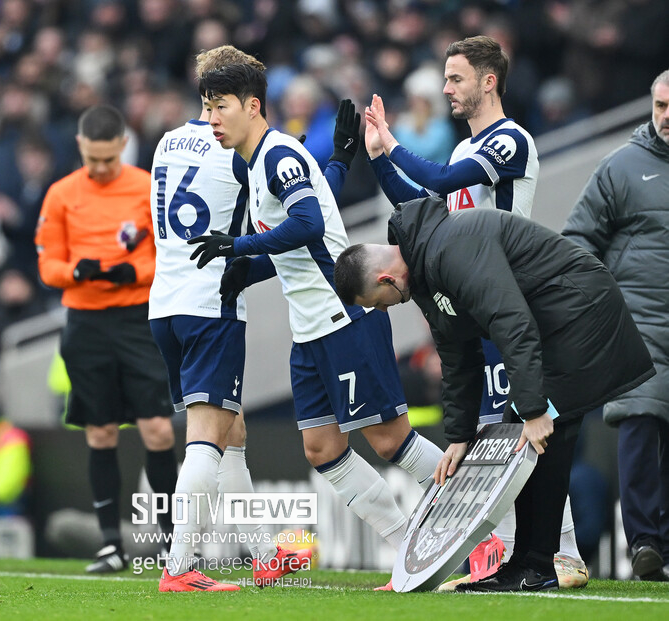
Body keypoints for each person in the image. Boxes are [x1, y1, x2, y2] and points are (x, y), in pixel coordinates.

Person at [188, 61, 444, 589]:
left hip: (343, 315)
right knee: (322, 449)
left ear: (252, 106)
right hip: (308, 329)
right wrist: (250, 270)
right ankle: (408, 548)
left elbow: (307, 225)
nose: (211, 118)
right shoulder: (255, 162)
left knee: (389, 440)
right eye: (207, 107)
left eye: (220, 107)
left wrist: (240, 247)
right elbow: (308, 225)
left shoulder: (277, 155)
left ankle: (490, 527)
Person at [333, 196, 655, 591]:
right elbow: (458, 358)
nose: (385, 310)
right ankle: (526, 563)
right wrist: (459, 437)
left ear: (386, 279)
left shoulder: (451, 248)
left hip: (582, 313)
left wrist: (535, 409)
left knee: (540, 433)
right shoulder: (424, 274)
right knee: (518, 435)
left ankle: (538, 565)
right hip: (554, 324)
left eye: (377, 303)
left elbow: (511, 321)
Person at [364, 34, 587, 589]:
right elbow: (420, 209)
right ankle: (512, 557)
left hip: (514, 305)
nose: (446, 88)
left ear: (489, 81)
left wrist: (393, 141)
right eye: (445, 78)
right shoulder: (465, 152)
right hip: (478, 311)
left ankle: (564, 554)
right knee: (496, 437)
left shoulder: (510, 139)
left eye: (455, 78)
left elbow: (439, 182)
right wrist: (377, 158)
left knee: (525, 431)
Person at [151, 46, 356, 592]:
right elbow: (307, 215)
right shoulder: (237, 152)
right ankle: (179, 566)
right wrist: (332, 165)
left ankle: (265, 552)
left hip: (164, 304)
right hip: (211, 304)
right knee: (206, 439)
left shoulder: (167, 142)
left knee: (231, 429)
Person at [35, 104, 178, 573]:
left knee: (157, 429)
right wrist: (77, 271)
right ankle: (111, 545)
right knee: (100, 432)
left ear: (123, 146)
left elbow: (169, 252)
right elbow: (48, 264)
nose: (99, 168)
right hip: (86, 323)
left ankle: (174, 545)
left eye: (108, 159)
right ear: (80, 146)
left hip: (138, 320)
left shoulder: (146, 186)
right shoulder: (61, 194)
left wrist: (131, 272)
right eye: (91, 159)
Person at [562, 69, 669, 582]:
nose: (667, 116)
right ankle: (645, 542)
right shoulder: (621, 167)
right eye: (661, 106)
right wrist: (602, 305)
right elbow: (577, 240)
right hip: (638, 321)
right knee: (639, 419)